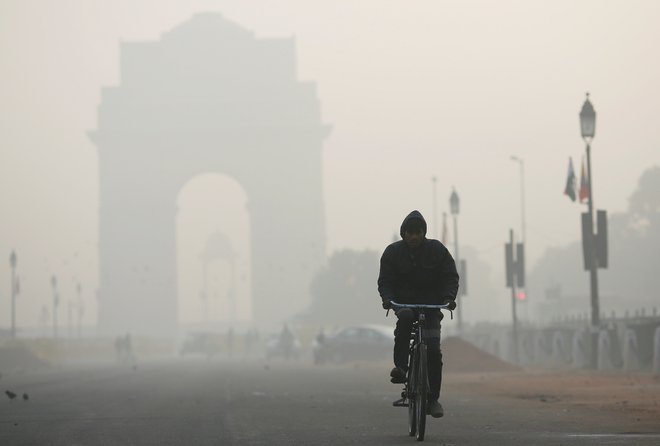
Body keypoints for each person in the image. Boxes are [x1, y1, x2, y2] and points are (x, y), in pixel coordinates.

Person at [378, 210, 459, 418]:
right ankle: (401, 368)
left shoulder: (437, 251)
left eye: (418, 232)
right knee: (404, 318)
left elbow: (450, 276)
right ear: (403, 234)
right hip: (404, 304)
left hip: (431, 306)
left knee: (433, 350)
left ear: (424, 233)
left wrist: (449, 298)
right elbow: (385, 282)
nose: (414, 236)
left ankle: (433, 399)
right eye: (410, 232)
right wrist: (387, 299)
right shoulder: (392, 253)